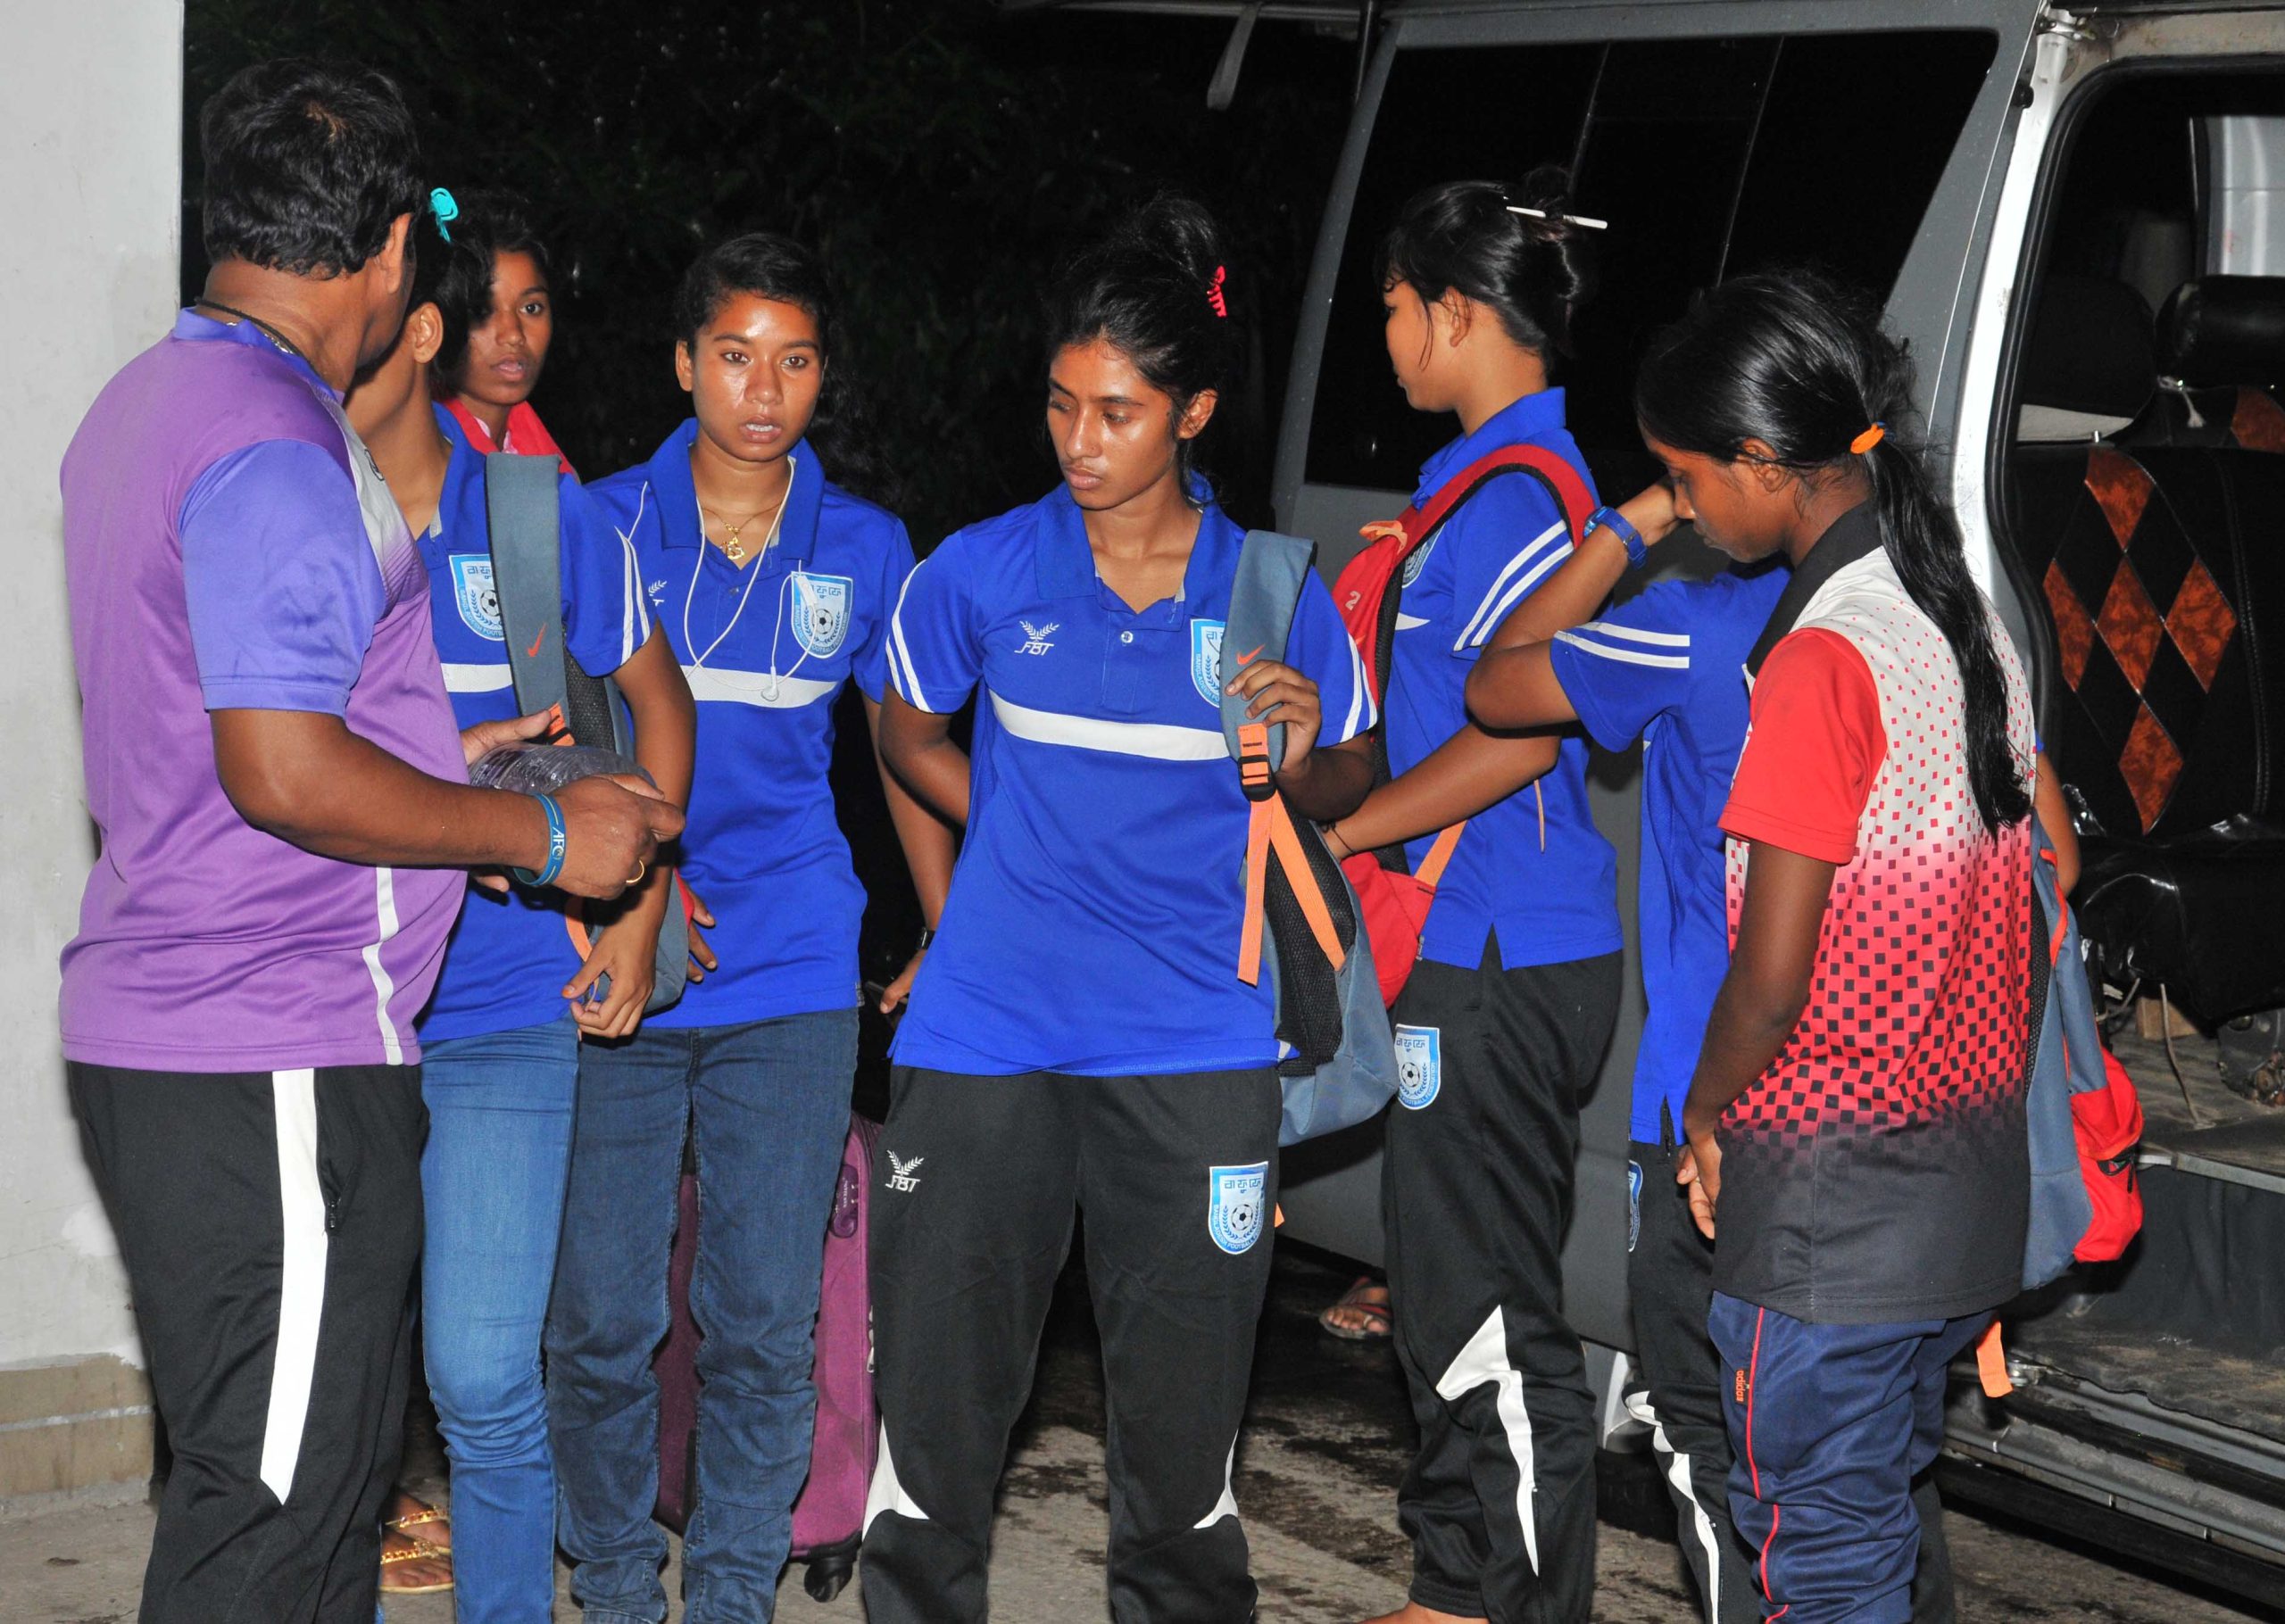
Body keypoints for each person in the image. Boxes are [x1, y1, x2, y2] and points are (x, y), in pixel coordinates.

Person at [56, 60, 677, 1624]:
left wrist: (440, 757)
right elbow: (277, 768)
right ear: (397, 254)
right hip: (267, 1051)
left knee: (321, 1513)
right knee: (266, 1531)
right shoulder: (276, 445)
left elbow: (228, 723)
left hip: (199, 1031)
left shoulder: (148, 401)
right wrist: (532, 833)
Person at [863, 195, 1375, 1624]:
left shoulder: (1274, 592)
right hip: (987, 1044)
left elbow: (1350, 778)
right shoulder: (983, 566)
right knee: (935, 1447)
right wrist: (992, 851)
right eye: (1060, 405)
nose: (1080, 440)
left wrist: (1303, 738)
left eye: (1118, 411)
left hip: (1195, 1055)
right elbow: (904, 728)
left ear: (1194, 411)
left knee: (1183, 1470)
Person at [545, 231, 955, 1624]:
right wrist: (623, 871)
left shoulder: (867, 545)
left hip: (790, 968)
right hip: (621, 959)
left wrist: (949, 925)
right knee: (603, 1321)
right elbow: (545, 742)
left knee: (765, 1325)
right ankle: (611, 1583)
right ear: (682, 364)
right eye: (733, 356)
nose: (762, 388)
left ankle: (727, 1597)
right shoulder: (599, 522)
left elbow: (904, 753)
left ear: (821, 374)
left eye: (792, 360)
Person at [1641, 271, 2036, 1624]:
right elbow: (2053, 868)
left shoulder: (1821, 660)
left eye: (1689, 479)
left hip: (1831, 1217)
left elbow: (1770, 972)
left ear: (1765, 463)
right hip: (1963, 1197)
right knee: (1874, 1520)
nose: (1684, 510)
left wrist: (1703, 1105)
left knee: (1816, 1548)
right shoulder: (1961, 614)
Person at [342, 192, 695, 1623]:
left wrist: (636, 894)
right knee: (333, 1398)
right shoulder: (288, 519)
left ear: (415, 331)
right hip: (326, 1009)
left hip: (495, 1008)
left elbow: (657, 714)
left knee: (485, 1376)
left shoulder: (544, 520)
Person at [1308, 170, 1622, 1624]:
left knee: (1480, 1302)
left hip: (1500, 946)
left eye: (1389, 309)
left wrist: (1362, 823)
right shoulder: (1487, 490)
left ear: (1452, 313)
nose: (1383, 336)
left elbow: (1526, 727)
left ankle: (1499, 1596)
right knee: (1454, 1282)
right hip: (1488, 941)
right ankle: (1462, 1585)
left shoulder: (1516, 506)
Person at [433, 189, 575, 468]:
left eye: (531, 308)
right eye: (482, 311)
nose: (513, 335)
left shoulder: (553, 469)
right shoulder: (416, 460)